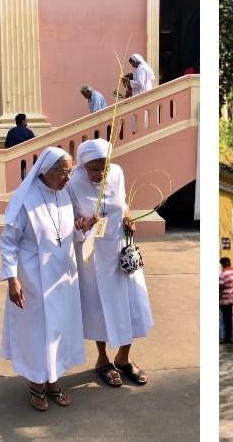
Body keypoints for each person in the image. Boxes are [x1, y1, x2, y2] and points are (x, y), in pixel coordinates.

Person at [0, 146, 85, 411]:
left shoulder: (64, 195)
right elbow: (8, 242)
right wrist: (12, 278)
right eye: (63, 172)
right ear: (46, 171)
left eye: (70, 172)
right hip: (33, 277)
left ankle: (54, 381)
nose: (68, 178)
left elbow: (66, 233)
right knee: (38, 332)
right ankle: (37, 383)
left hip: (63, 275)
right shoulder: (25, 199)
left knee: (59, 328)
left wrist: (81, 228)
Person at [66, 139, 153, 387]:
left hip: (120, 251)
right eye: (94, 168)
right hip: (93, 256)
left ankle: (124, 358)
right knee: (99, 307)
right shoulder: (73, 183)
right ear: (83, 165)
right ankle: (102, 360)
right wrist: (83, 224)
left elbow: (123, 202)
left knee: (129, 302)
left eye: (104, 166)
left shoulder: (117, 173)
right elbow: (70, 221)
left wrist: (128, 217)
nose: (100, 173)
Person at [219, 257, 233, 344]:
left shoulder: (223, 274)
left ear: (223, 264)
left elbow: (220, 286)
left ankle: (228, 337)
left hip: (226, 299)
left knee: (226, 319)